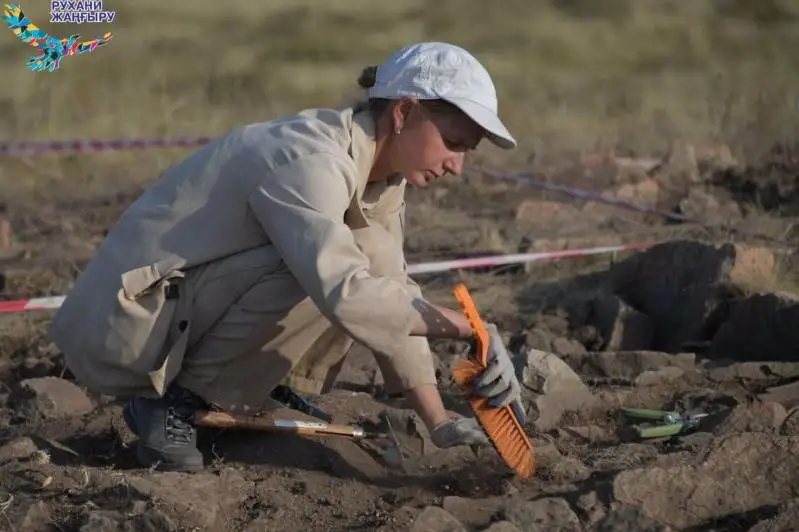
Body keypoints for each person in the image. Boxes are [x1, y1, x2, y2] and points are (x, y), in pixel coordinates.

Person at [50, 41, 526, 472]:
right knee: (318, 266)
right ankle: (170, 405)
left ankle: (230, 388)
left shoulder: (382, 179)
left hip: (177, 311)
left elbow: (393, 286)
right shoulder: (309, 160)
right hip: (123, 327)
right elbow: (344, 290)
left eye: (469, 150)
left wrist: (439, 422)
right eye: (455, 143)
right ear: (403, 112)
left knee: (365, 256)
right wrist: (471, 329)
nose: (457, 166)